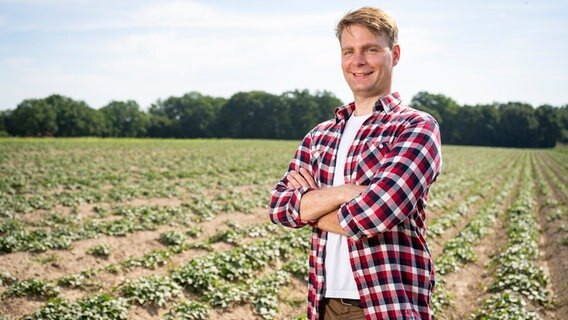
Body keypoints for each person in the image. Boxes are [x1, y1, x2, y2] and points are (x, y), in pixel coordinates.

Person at [268, 6, 442, 320]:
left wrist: (310, 208)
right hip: (324, 305)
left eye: (370, 49)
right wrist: (344, 192)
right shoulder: (320, 135)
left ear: (395, 54)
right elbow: (280, 207)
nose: (357, 61)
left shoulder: (415, 127)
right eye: (349, 51)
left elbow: (375, 213)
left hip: (385, 305)